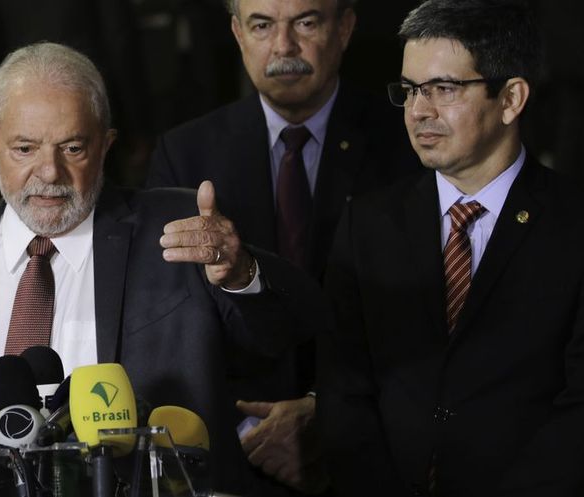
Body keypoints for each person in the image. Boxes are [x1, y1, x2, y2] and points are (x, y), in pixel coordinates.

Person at [0, 42, 327, 493]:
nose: (50, 172)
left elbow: (291, 330)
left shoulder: (179, 229)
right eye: (24, 149)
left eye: (72, 147)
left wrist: (241, 275)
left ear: (105, 144)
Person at [146, 0, 420, 491]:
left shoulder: (407, 143)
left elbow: (425, 309)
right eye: (262, 25)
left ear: (345, 28)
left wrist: (325, 412)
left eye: (306, 23)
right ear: (237, 33)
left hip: (374, 451)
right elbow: (171, 326)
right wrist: (252, 433)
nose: (283, 46)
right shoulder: (184, 154)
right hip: (236, 454)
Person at [319, 1, 584, 495]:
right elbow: (344, 391)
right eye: (410, 90)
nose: (419, 111)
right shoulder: (367, 225)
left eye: (444, 89)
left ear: (511, 99)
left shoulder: (572, 226)